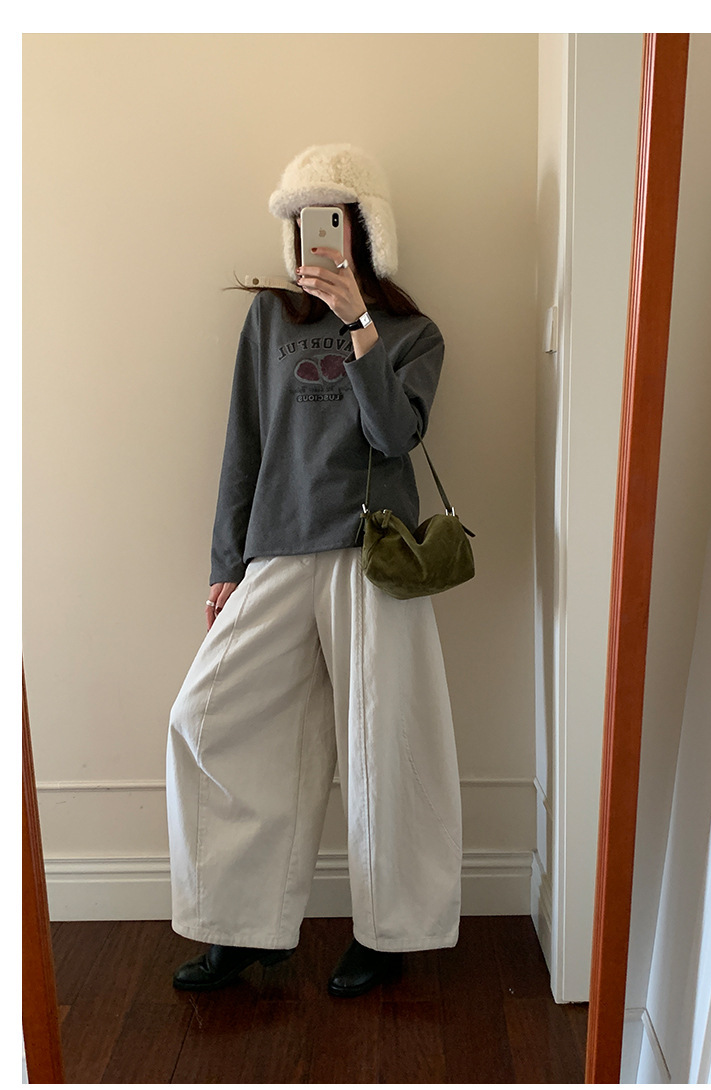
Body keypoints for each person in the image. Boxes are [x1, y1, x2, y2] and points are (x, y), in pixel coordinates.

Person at [166, 143, 463, 998]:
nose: (312, 237)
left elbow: (394, 435)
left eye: (329, 218)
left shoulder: (414, 334)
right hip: (278, 550)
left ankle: (390, 933)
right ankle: (243, 928)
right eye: (300, 221)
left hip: (374, 556)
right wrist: (227, 560)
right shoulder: (269, 321)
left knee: (385, 748)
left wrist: (359, 323)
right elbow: (244, 442)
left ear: (364, 227)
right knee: (207, 720)